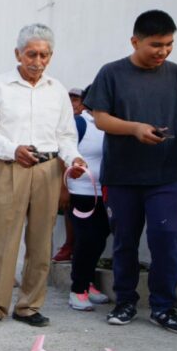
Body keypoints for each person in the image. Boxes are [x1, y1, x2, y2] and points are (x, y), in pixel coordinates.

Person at [84, 10, 177, 335]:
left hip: (169, 175)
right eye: (155, 45)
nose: (163, 51)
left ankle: (163, 307)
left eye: (169, 44)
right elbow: (101, 118)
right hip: (123, 175)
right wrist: (135, 128)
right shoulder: (111, 73)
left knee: (169, 238)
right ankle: (125, 302)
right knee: (125, 241)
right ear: (135, 41)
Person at [0, 23, 85, 330]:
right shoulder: (0, 86)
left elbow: (66, 135)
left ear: (51, 56)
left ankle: (29, 306)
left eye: (44, 55)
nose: (38, 61)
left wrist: (74, 158)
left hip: (48, 170)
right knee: (1, 239)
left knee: (41, 240)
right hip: (11, 167)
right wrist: (13, 150)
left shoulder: (57, 90)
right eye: (31, 54)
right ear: (18, 54)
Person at [65, 86, 111, 311]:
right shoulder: (80, 123)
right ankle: (77, 290)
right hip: (80, 191)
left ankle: (88, 281)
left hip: (104, 192)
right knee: (86, 239)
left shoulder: (107, 124)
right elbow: (63, 153)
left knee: (100, 238)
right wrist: (63, 189)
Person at [52, 87, 87, 263]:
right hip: (72, 183)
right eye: (69, 100)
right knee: (70, 215)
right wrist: (63, 188)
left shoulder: (86, 122)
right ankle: (68, 246)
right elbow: (61, 155)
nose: (72, 104)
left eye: (75, 100)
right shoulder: (72, 124)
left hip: (89, 184)